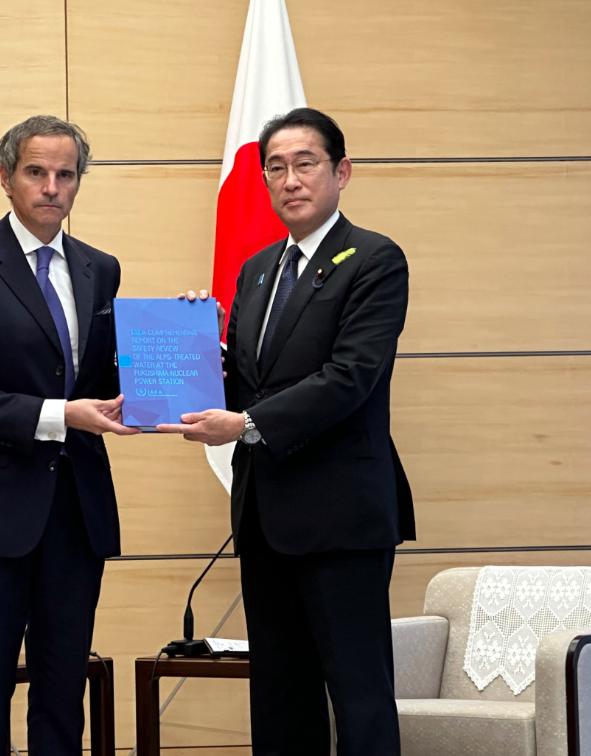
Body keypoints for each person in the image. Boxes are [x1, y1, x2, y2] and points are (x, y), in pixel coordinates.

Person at [160, 107, 415, 756]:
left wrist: (246, 423)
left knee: (357, 697)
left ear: (341, 172)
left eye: (305, 164)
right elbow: (251, 379)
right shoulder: (257, 269)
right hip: (265, 513)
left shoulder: (374, 259)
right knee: (279, 698)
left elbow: (350, 376)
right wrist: (195, 348)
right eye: (275, 167)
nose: (289, 180)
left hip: (340, 518)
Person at [0, 114, 138, 756]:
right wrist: (59, 415)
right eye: (36, 172)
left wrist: (185, 338)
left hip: (76, 509)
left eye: (66, 175)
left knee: (62, 696)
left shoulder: (101, 268)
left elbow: (108, 379)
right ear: (6, 178)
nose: (51, 187)